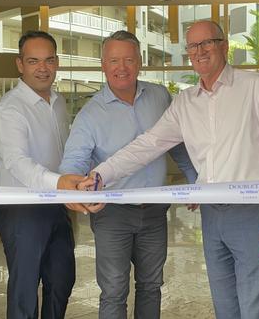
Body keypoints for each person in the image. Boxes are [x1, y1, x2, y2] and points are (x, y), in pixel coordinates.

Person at [81, 21, 259, 319]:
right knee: (225, 307)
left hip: (253, 214)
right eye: (193, 46)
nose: (200, 51)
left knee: (256, 309)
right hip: (212, 216)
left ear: (224, 46)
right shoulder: (186, 102)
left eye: (207, 43)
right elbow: (147, 145)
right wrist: (101, 175)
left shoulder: (254, 86)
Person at [60, 30, 197, 319]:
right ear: (103, 65)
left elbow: (178, 145)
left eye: (128, 60)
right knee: (114, 290)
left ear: (140, 62)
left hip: (155, 212)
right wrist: (73, 187)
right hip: (112, 215)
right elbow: (73, 162)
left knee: (151, 285)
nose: (121, 68)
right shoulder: (90, 114)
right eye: (113, 60)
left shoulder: (160, 96)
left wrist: (197, 182)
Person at [0, 30, 86, 319]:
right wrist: (59, 182)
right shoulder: (9, 108)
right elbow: (17, 162)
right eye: (33, 61)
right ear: (20, 64)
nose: (42, 68)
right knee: (25, 288)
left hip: (57, 205)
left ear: (57, 62)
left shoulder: (58, 103)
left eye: (49, 60)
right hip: (23, 210)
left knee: (61, 279)